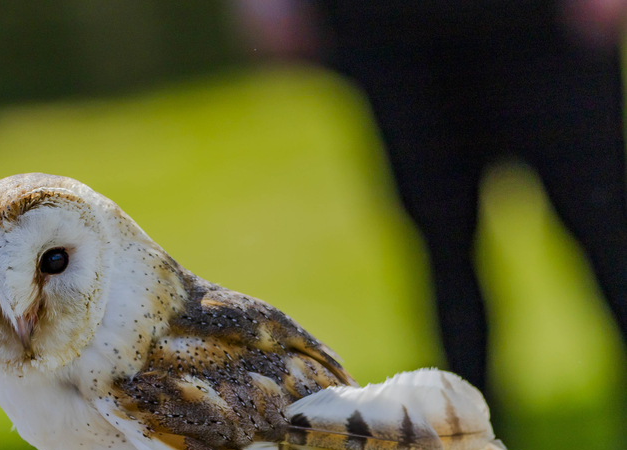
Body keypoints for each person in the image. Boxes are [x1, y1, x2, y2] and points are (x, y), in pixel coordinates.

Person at [235, 0, 627, 400]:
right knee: (441, 238)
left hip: (537, 24)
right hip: (395, 32)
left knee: (602, 217)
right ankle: (471, 441)